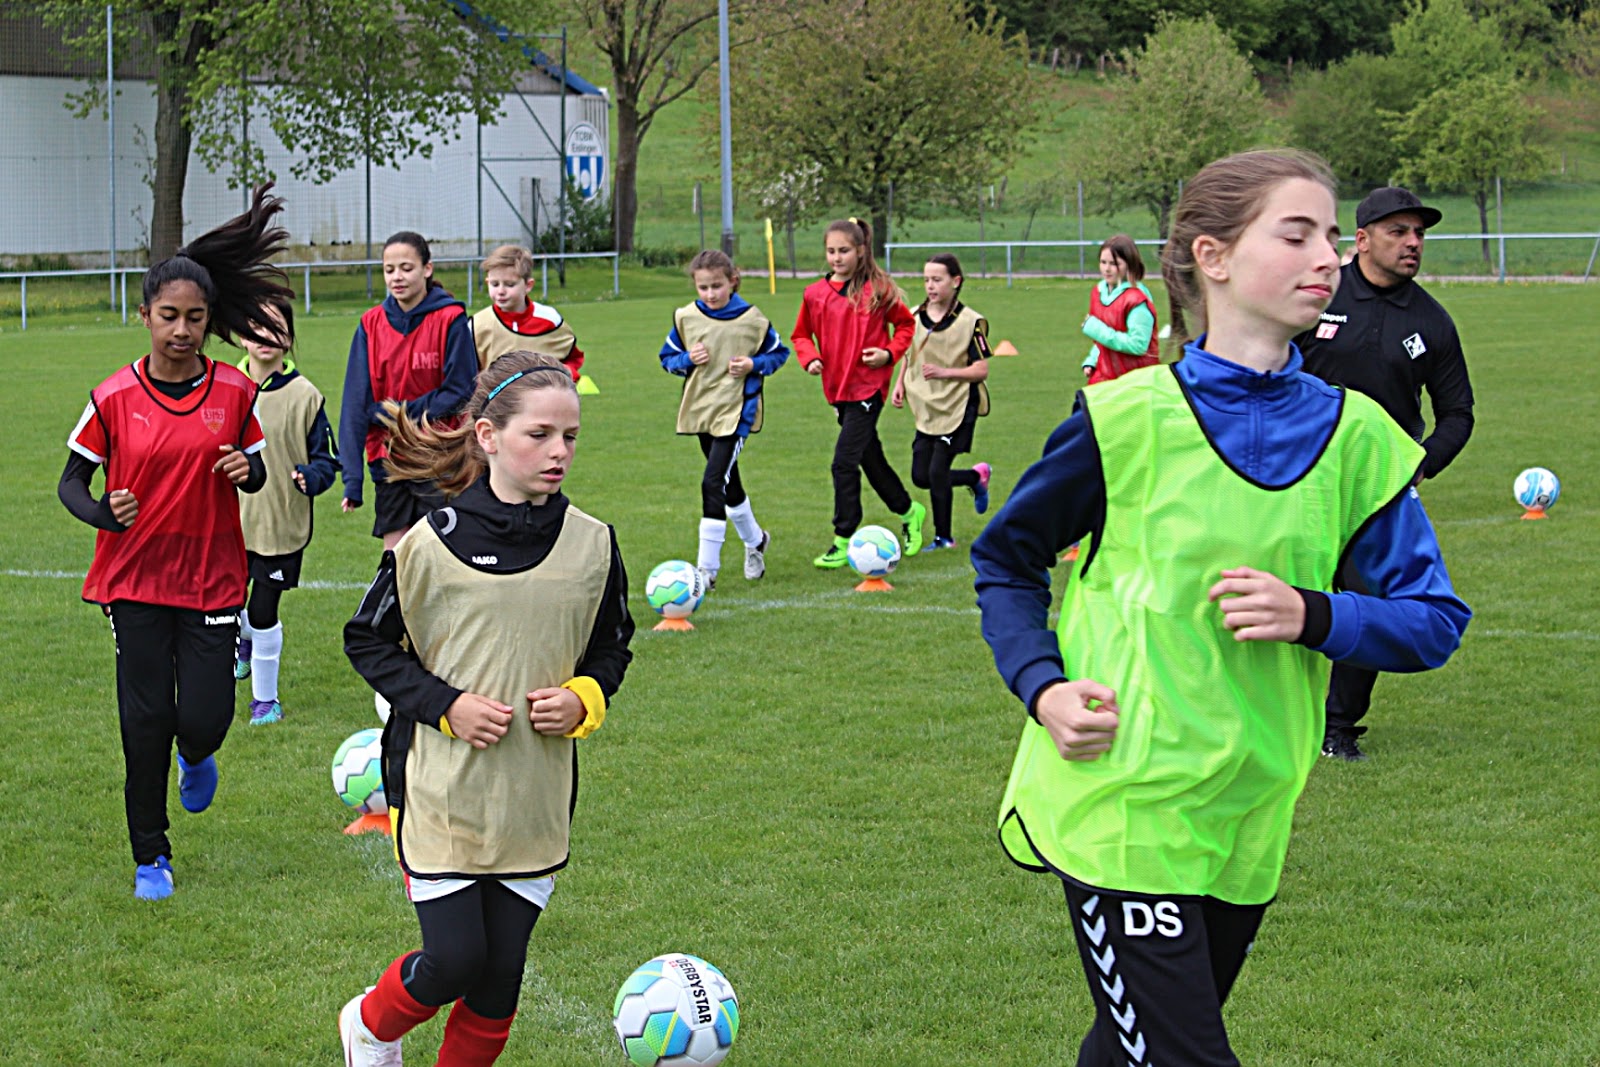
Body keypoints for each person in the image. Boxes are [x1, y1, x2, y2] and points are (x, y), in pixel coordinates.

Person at [971, 150, 1470, 1065]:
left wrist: (1316, 615)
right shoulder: (1123, 418)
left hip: (1249, 811)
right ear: (1214, 256)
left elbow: (1436, 618)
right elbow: (1006, 557)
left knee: (1130, 1049)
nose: (1326, 256)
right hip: (1122, 802)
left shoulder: (1358, 438)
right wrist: (1042, 686)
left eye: (1331, 235)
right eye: (1297, 234)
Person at [340, 350, 633, 1066]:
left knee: (500, 981)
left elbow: (612, 646)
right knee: (454, 960)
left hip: (532, 795)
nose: (559, 451)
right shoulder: (429, 542)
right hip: (441, 789)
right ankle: (370, 1027)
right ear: (488, 436)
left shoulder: (594, 543)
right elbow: (367, 640)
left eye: (570, 436)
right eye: (540, 434)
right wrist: (447, 706)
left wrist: (583, 698)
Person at [58, 185, 294, 901]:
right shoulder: (113, 397)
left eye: (195, 317)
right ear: (145, 316)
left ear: (208, 320)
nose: (182, 330)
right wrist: (105, 514)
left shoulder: (234, 393)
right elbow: (71, 483)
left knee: (204, 718)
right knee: (145, 718)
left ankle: (197, 755)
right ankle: (150, 855)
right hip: (133, 577)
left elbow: (257, 472)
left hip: (213, 577)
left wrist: (248, 468)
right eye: (169, 316)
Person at [1294, 186, 1475, 762]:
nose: (1413, 242)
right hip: (1296, 477)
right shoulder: (1316, 293)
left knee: (1367, 602)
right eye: (1399, 231)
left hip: (1374, 494)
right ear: (1363, 239)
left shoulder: (1431, 321)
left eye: (1419, 233)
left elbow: (1458, 412)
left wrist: (1418, 464)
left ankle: (1338, 728)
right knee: (1272, 589)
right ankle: (1263, 711)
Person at [791, 217, 926, 568]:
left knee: (843, 462)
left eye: (844, 251)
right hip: (838, 391)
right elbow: (801, 335)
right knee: (871, 460)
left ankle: (843, 536)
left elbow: (906, 325)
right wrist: (810, 358)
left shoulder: (877, 291)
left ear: (861, 251)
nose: (837, 258)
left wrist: (888, 354)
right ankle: (909, 511)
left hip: (868, 388)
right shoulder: (815, 294)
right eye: (831, 251)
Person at [232, 299, 338, 725]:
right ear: (241, 337)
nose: (265, 336)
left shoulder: (305, 395)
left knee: (263, 611)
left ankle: (265, 700)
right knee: (227, 606)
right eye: (255, 326)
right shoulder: (222, 387)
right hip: (227, 524)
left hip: (281, 526)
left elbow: (327, 460)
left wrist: (311, 477)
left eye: (275, 327)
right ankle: (242, 639)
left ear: (289, 339)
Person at [338, 230, 477, 552]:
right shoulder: (370, 324)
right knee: (395, 557)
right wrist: (352, 479)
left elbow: (460, 390)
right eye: (389, 269)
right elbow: (355, 404)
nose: (396, 277)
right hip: (389, 457)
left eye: (406, 268)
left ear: (427, 269)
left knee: (439, 552)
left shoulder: (451, 319)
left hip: (438, 454)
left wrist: (397, 413)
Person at [658, 249, 789, 589]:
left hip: (737, 413)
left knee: (712, 482)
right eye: (703, 287)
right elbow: (667, 358)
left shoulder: (753, 320)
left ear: (733, 281)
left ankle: (707, 571)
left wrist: (753, 365)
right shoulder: (686, 317)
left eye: (716, 286)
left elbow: (778, 354)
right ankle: (756, 540)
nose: (710, 294)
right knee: (730, 485)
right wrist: (687, 358)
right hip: (704, 410)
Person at [890, 253, 992, 551]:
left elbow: (981, 370)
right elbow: (908, 355)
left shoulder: (972, 322)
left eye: (937, 279)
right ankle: (974, 477)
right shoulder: (912, 316)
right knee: (921, 476)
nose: (930, 286)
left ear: (955, 281)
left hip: (959, 405)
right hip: (927, 407)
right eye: (926, 280)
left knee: (937, 472)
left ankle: (943, 538)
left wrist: (945, 372)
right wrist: (900, 384)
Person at [470, 243, 586, 382]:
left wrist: (565, 376)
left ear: (528, 285)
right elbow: (466, 371)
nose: (501, 291)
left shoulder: (550, 319)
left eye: (510, 284)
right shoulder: (477, 325)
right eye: (495, 284)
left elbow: (573, 359)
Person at [1080, 234, 1161, 384]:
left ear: (1129, 264)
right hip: (1106, 377)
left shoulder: (1137, 299)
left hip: (1136, 382)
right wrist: (1093, 359)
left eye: (1114, 263)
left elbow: (1138, 345)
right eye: (1103, 262)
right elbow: (1101, 340)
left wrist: (1097, 330)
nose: (1107, 269)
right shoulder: (1098, 292)